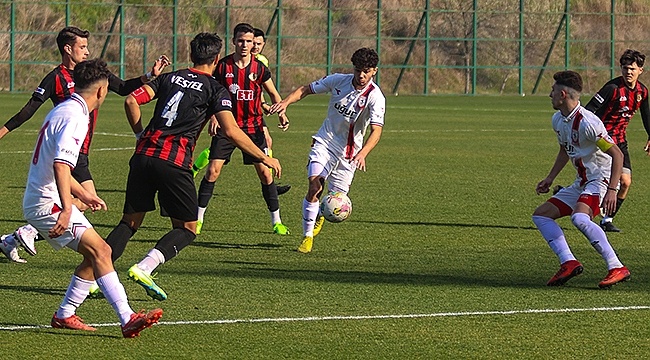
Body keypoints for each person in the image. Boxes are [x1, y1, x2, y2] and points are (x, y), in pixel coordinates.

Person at [104, 32, 281, 301]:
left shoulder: (167, 77)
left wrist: (140, 134)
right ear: (217, 59)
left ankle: (96, 280)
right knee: (187, 228)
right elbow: (232, 131)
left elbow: (131, 100)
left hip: (142, 156)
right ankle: (145, 267)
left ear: (190, 55)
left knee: (129, 223)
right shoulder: (215, 89)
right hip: (173, 162)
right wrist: (264, 157)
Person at [0, 26, 169, 263]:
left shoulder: (93, 74)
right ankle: (27, 232)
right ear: (68, 49)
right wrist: (3, 131)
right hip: (67, 151)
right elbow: (29, 109)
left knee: (87, 200)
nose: (87, 52)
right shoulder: (56, 78)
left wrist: (149, 76)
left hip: (82, 151)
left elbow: (122, 88)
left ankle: (15, 238)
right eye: (82, 47)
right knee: (88, 199)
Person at [22, 58, 162, 337]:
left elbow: (54, 163)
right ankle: (127, 317)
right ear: (101, 90)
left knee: (98, 253)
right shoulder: (76, 117)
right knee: (100, 251)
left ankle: (65, 314)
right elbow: (61, 165)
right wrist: (65, 209)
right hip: (46, 203)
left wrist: (83, 194)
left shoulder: (64, 108)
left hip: (44, 196)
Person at [269, 47, 386, 253]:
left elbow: (376, 131)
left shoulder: (376, 97)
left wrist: (363, 153)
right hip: (324, 142)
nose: (361, 75)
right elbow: (306, 89)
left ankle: (321, 213)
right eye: (358, 70)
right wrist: (285, 102)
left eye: (366, 71)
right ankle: (307, 238)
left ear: (374, 71)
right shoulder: (338, 80)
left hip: (349, 154)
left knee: (336, 200)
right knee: (315, 185)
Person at [532, 70, 630, 289]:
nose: (550, 95)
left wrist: (612, 189)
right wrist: (550, 178)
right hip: (583, 181)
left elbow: (617, 154)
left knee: (580, 218)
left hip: (601, 179)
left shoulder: (588, 123)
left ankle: (616, 266)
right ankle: (568, 262)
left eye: (553, 90)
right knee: (541, 215)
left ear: (563, 94)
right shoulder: (558, 119)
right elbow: (565, 150)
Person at [195, 23, 290, 235]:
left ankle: (277, 221)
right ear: (234, 41)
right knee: (213, 171)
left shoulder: (259, 68)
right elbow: (210, 92)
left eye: (248, 41)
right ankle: (198, 218)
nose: (245, 45)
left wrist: (282, 113)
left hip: (254, 127)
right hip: (228, 126)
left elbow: (274, 94)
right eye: (241, 41)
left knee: (265, 174)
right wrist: (213, 117)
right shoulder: (222, 66)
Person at [584, 49, 650, 232]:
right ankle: (569, 195)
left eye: (632, 69)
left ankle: (607, 219)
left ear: (640, 71)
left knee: (626, 182)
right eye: (625, 68)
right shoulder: (612, 88)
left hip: (620, 142)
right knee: (601, 182)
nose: (628, 72)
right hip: (602, 141)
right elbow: (588, 110)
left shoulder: (642, 92)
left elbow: (646, 116)